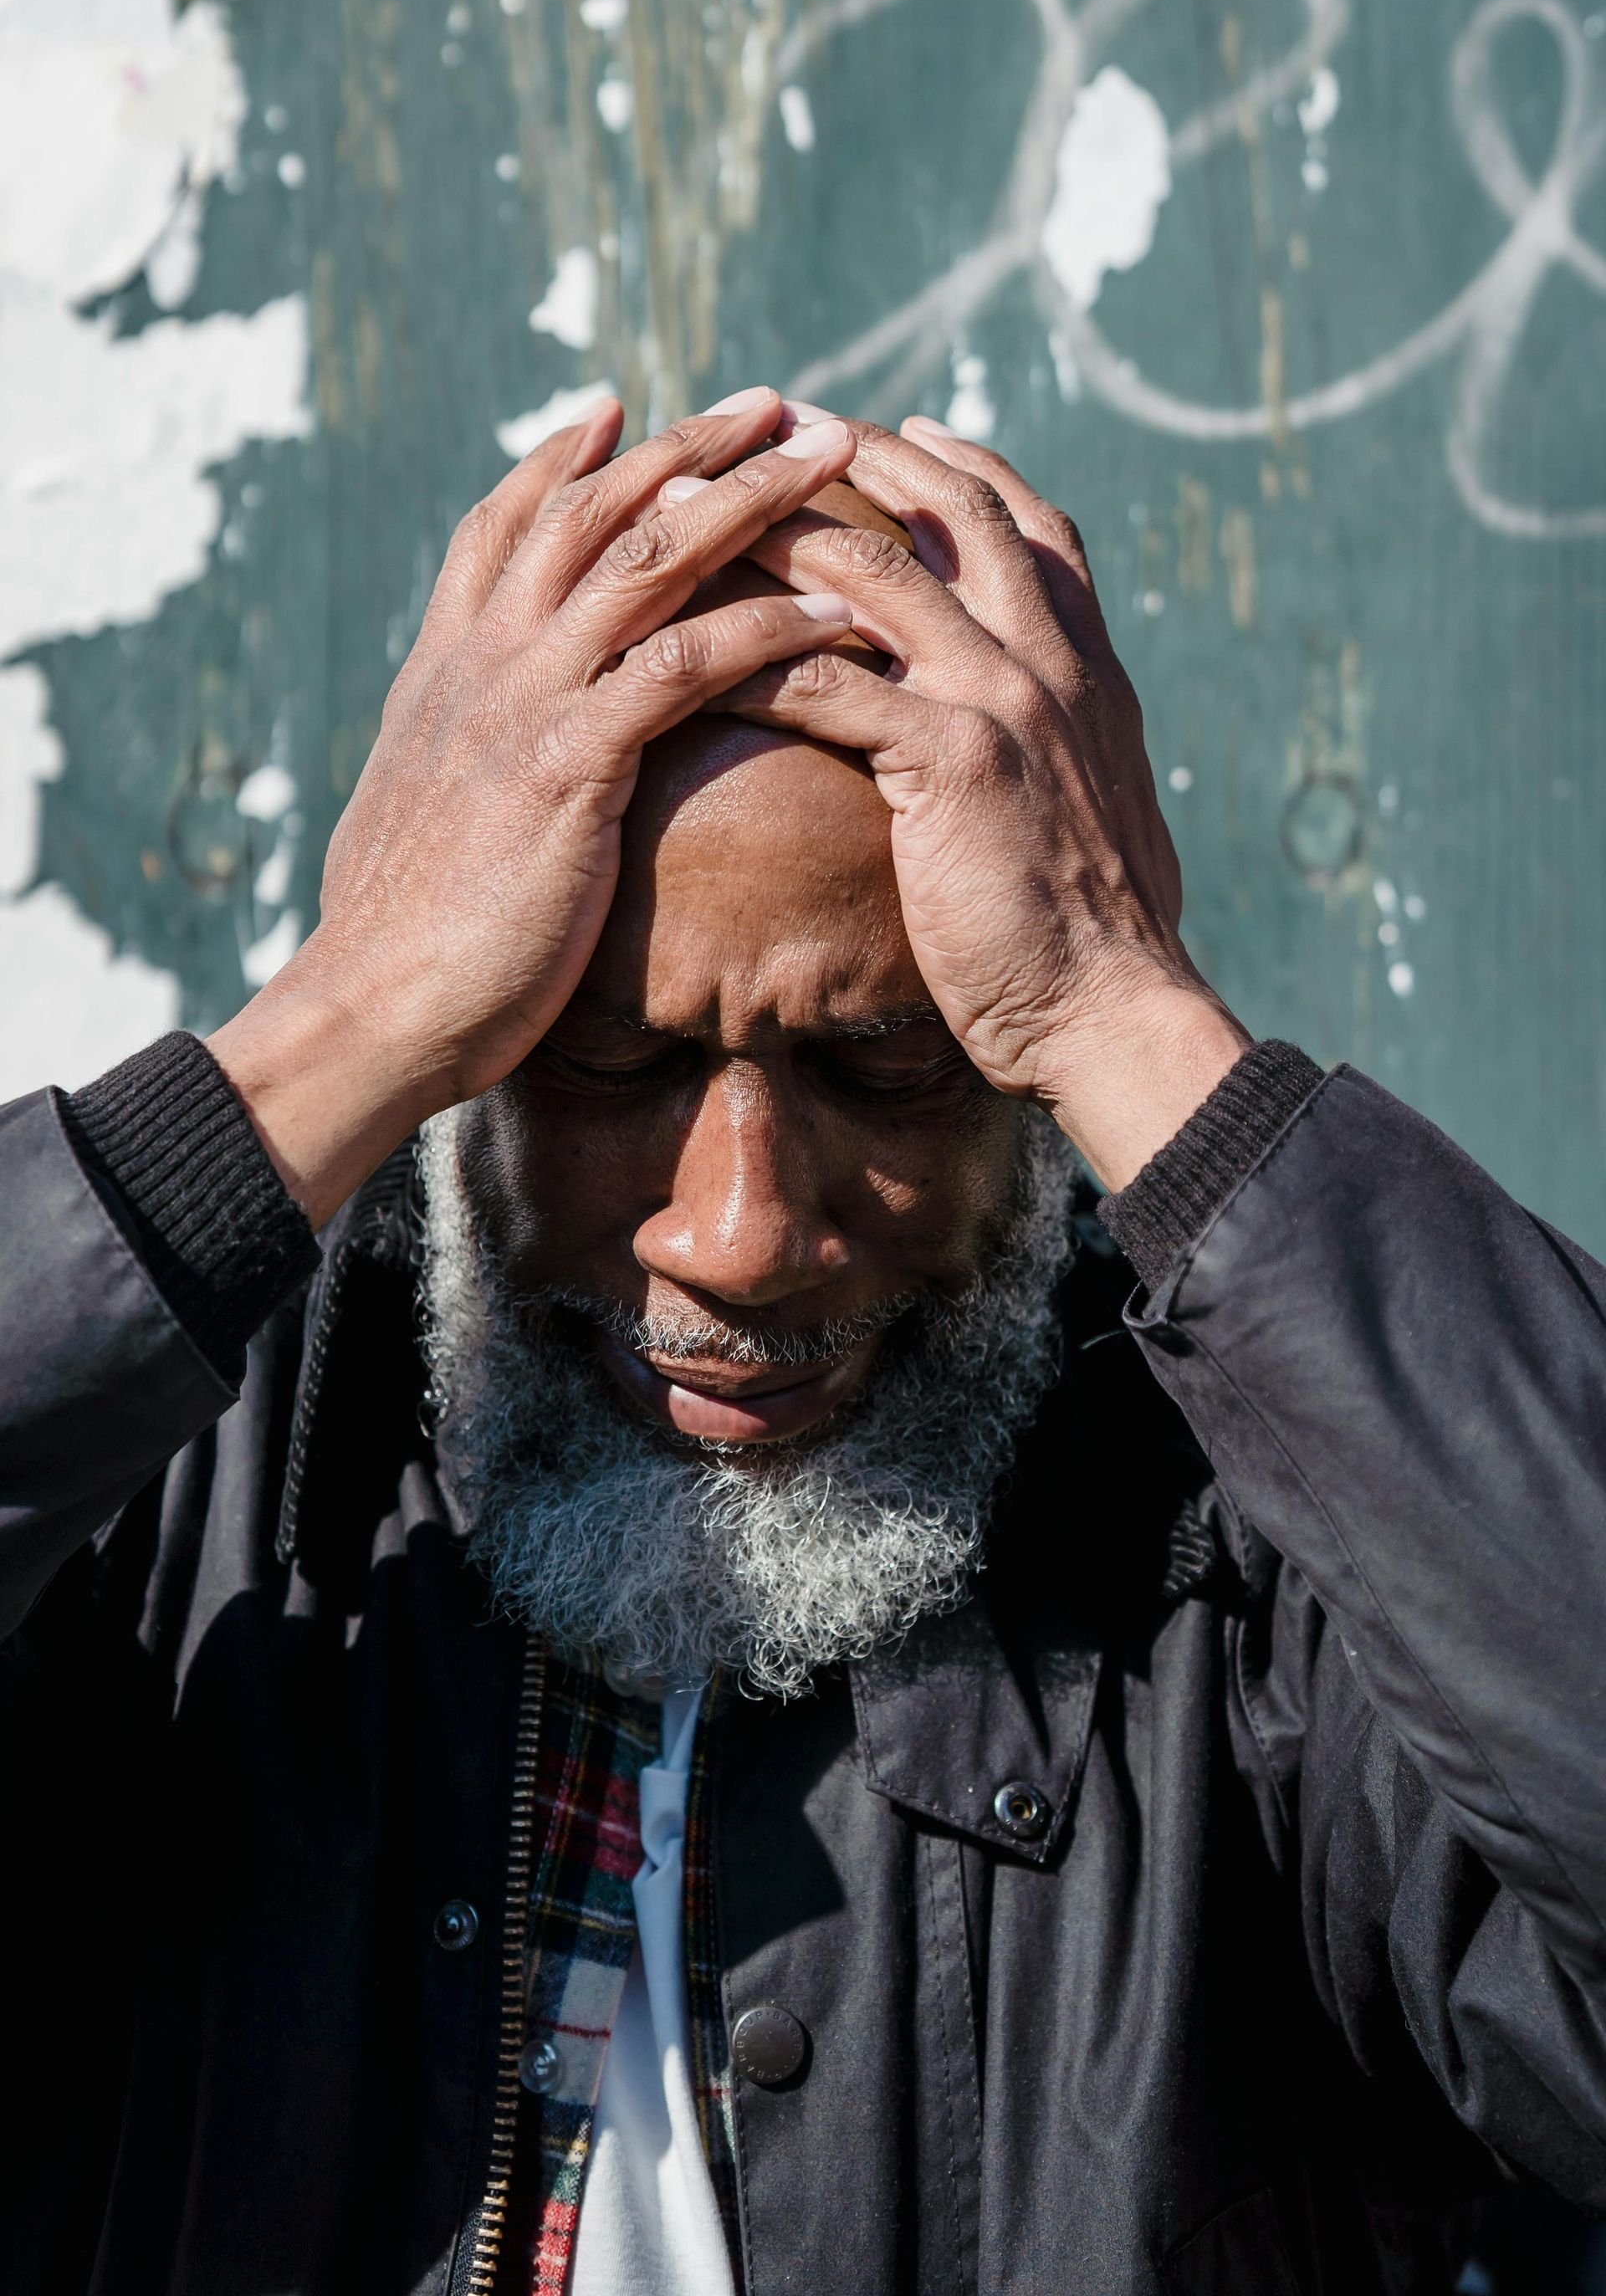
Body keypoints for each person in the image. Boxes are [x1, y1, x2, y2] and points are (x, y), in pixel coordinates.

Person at [2, 386, 1603, 2296]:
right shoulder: (205, 1517)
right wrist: (327, 1032)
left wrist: (1135, 1018)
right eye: (607, 1065)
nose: (744, 1233)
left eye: (889, 1064)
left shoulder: (1261, 1572)